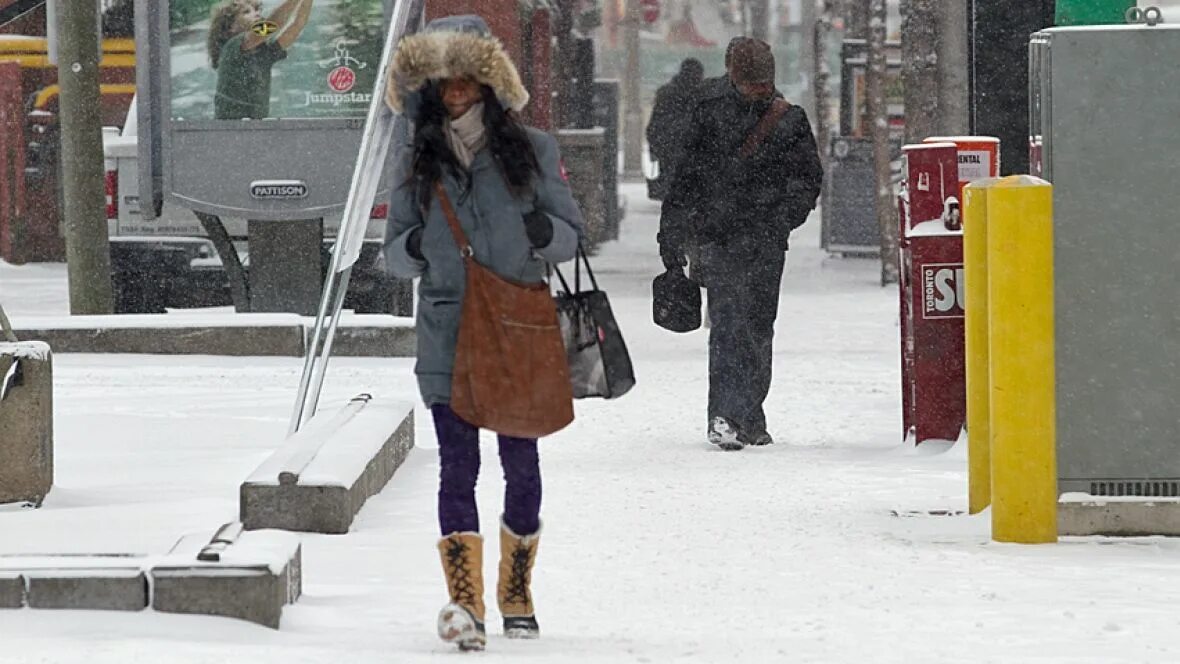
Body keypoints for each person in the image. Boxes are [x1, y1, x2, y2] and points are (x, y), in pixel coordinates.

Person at [382, 15, 584, 652]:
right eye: (444, 80)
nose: (456, 90)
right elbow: (393, 251)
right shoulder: (417, 155)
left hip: (518, 322)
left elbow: (570, 233)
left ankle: (516, 591)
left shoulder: (533, 148)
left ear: (489, 83)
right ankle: (464, 602)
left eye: (467, 78)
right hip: (446, 327)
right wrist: (427, 247)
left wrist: (533, 238)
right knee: (457, 467)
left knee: (521, 466)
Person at [658, 38, 823, 451]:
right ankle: (736, 416)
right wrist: (782, 220)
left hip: (722, 234)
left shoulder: (711, 114)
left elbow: (684, 181)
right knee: (747, 326)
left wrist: (673, 233)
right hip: (754, 239)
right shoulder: (789, 119)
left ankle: (741, 415)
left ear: (732, 70)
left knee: (739, 326)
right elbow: (807, 180)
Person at [207, 0, 314, 120]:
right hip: (229, 129)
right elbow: (271, 25)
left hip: (256, 127)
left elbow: (298, 24)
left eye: (257, 10)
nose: (256, 13)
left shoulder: (263, 52)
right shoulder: (232, 47)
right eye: (246, 12)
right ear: (231, 27)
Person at [646, 58, 704, 196]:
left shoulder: (666, 93)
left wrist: (654, 149)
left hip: (668, 147)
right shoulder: (703, 94)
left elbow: (655, 124)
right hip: (694, 150)